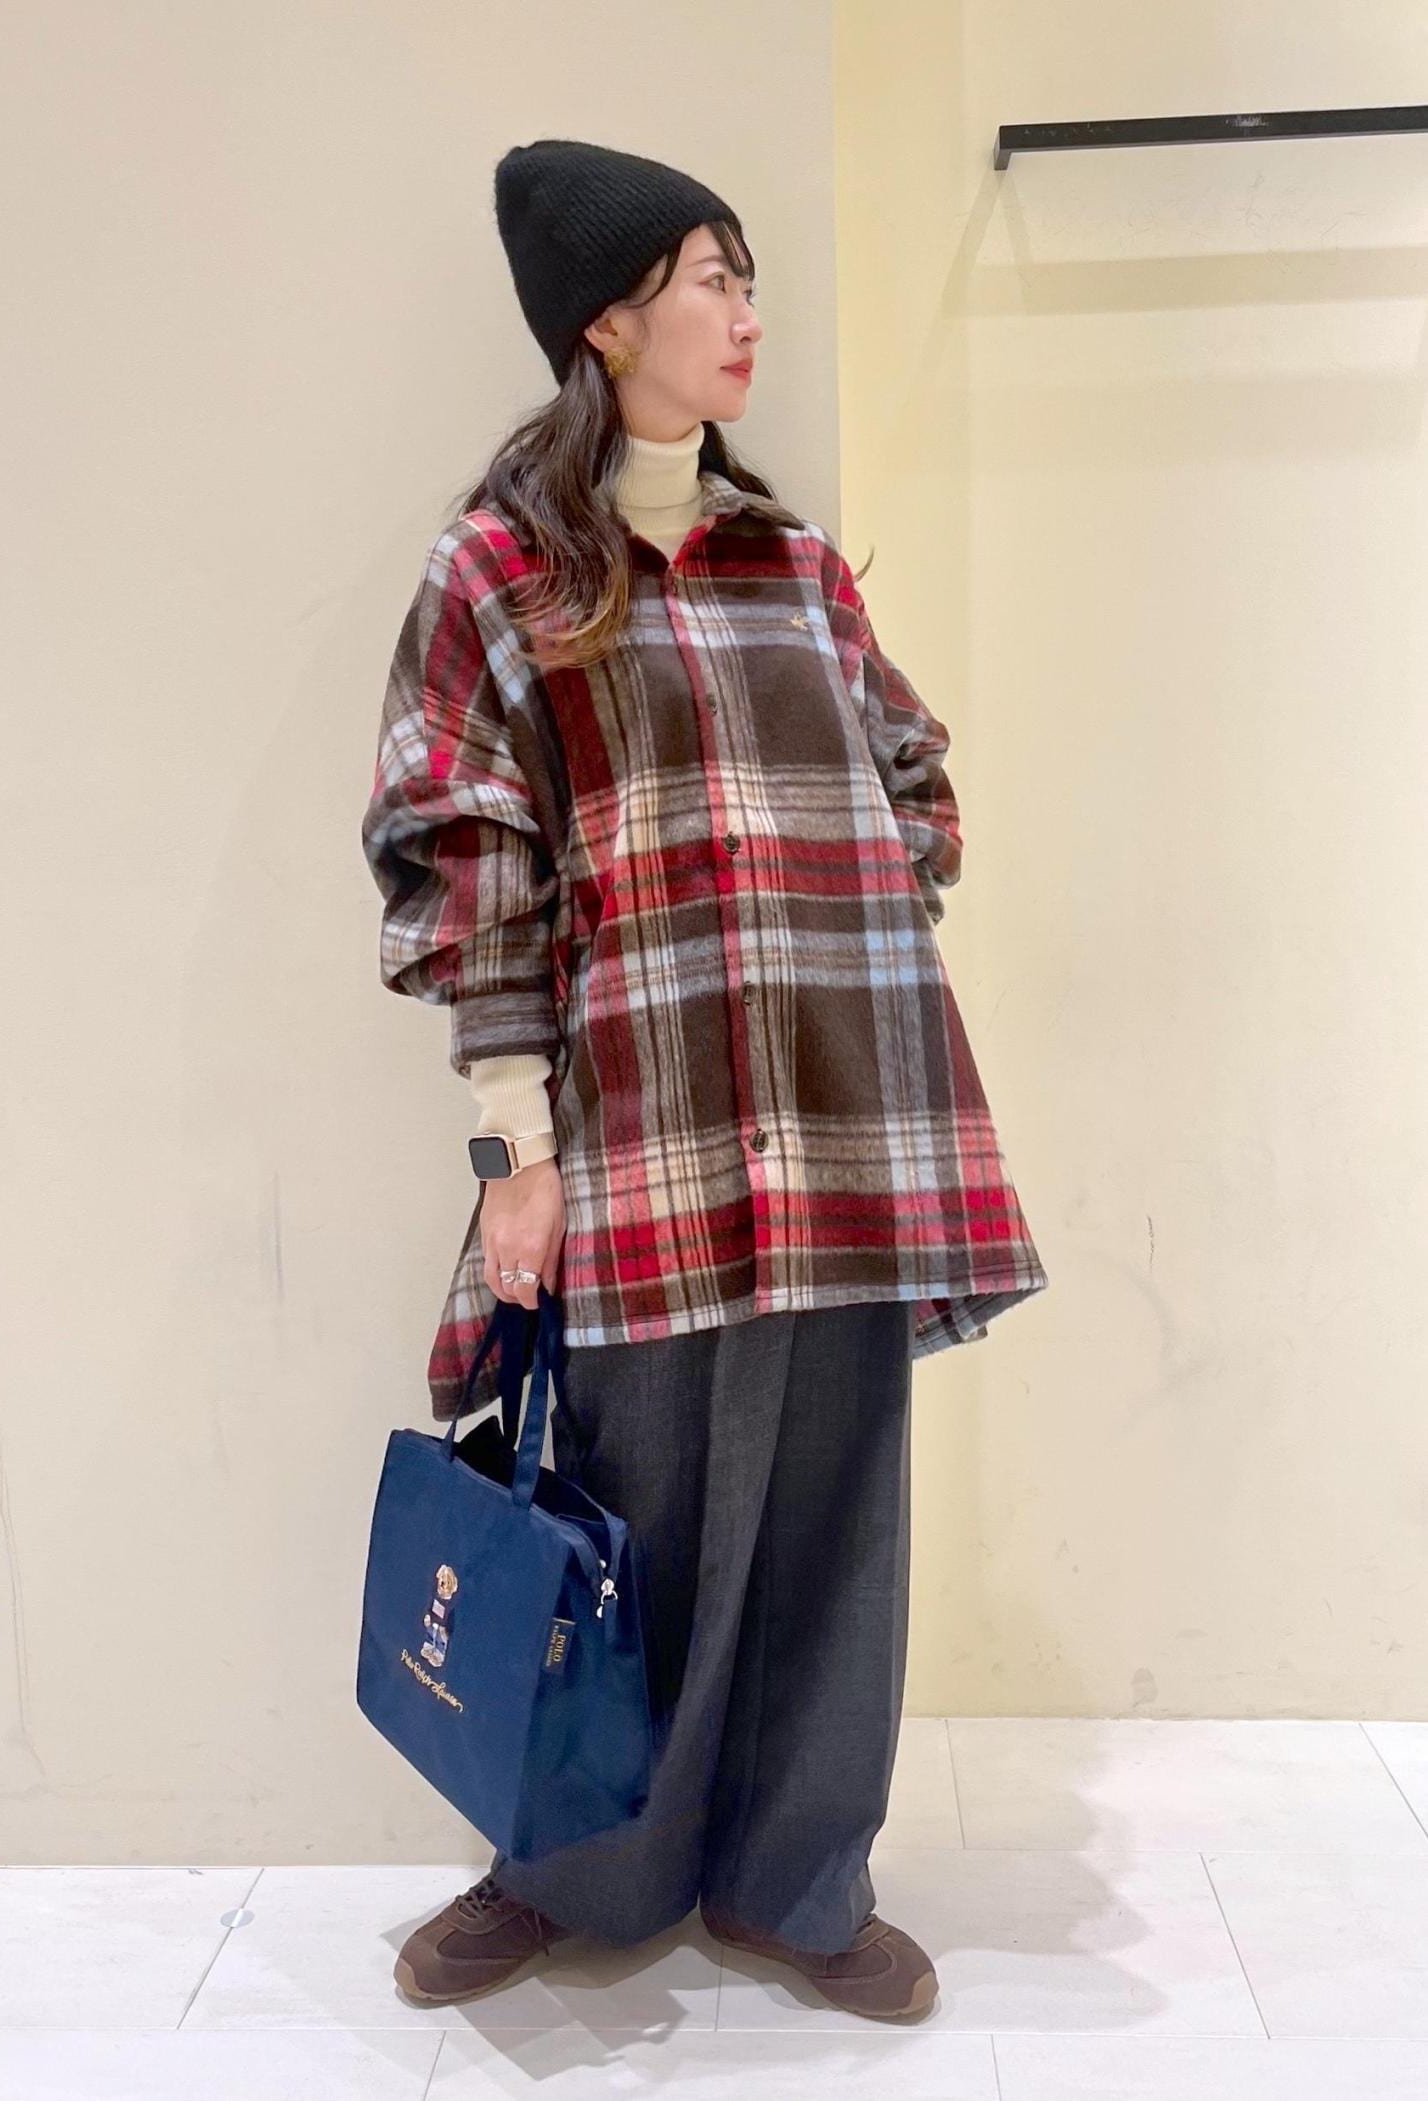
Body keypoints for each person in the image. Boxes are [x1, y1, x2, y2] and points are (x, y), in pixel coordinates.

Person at [360, 137, 1049, 2022]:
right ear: (607, 320)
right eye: (711, 279)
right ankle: (574, 1867)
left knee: (836, 1508)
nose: (748, 315)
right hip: (637, 1119)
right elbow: (464, 858)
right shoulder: (501, 575)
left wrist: (840, 903)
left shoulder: (792, 564)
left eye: (751, 280)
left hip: (845, 1109)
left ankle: (799, 1881)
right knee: (625, 1507)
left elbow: (915, 776)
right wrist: (514, 1146)